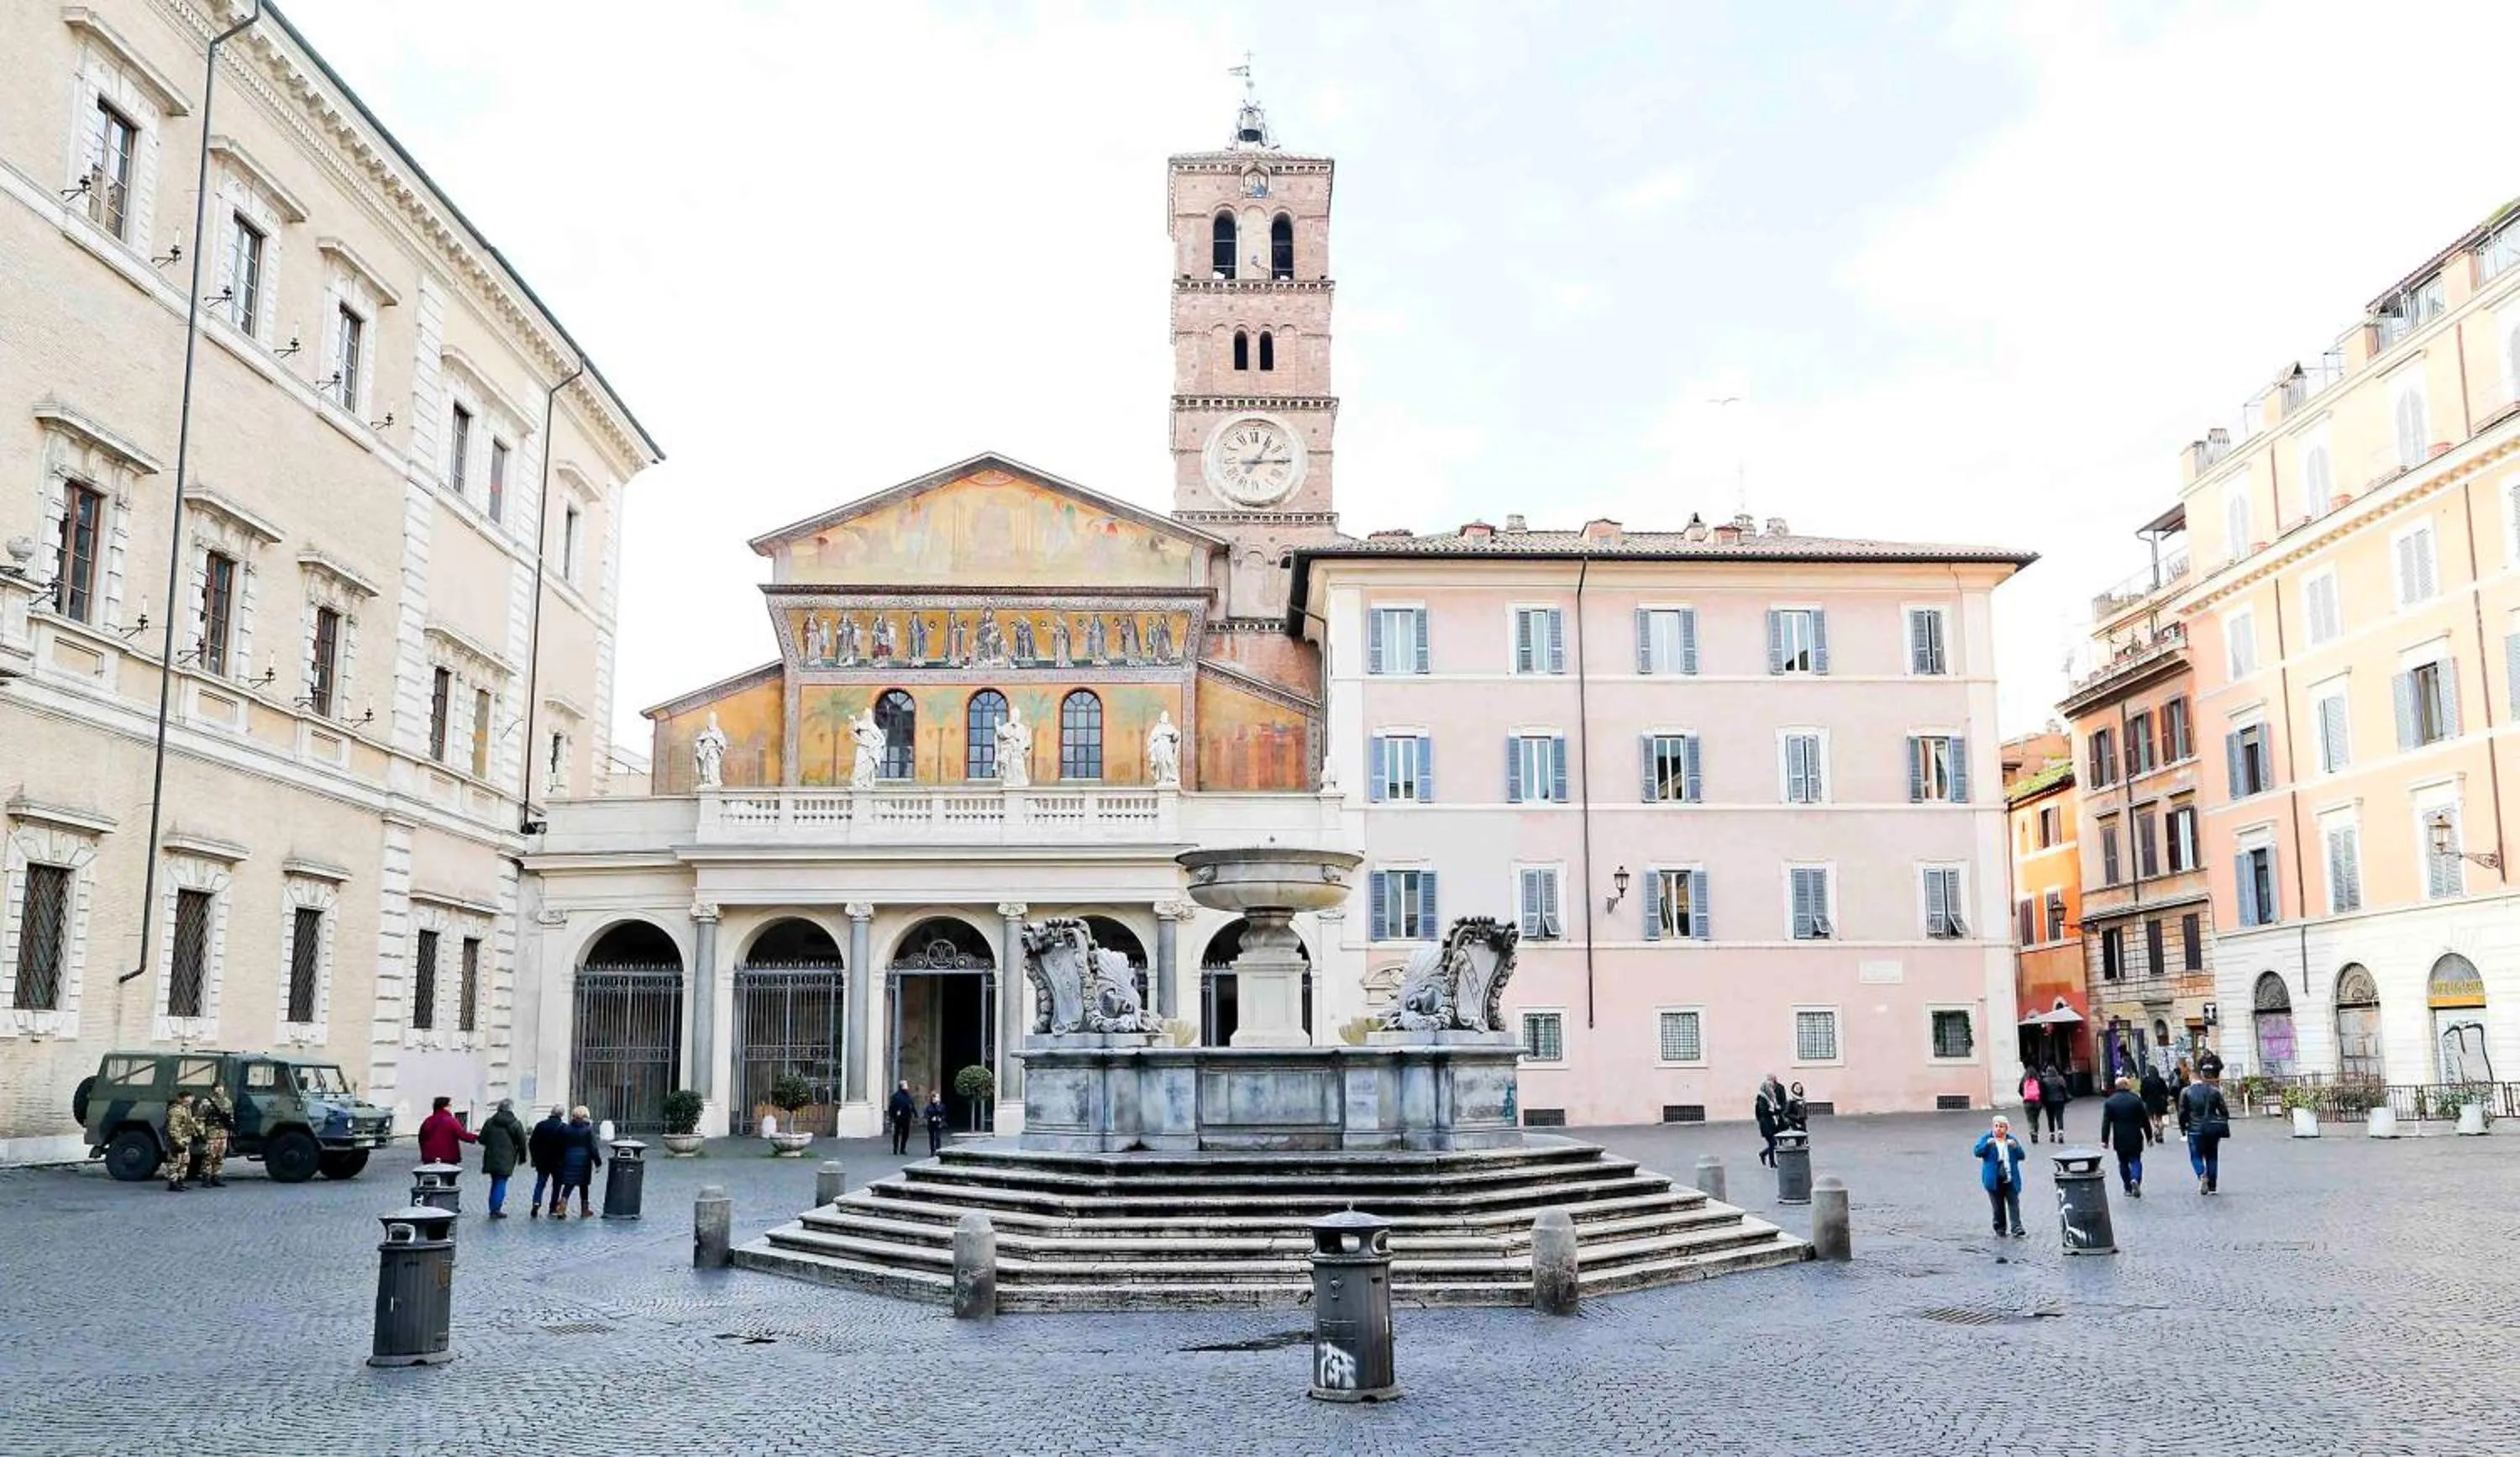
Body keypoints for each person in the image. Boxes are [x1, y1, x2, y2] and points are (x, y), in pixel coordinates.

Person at [2177, 1066, 2232, 1195]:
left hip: (2194, 1128)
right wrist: (2221, 1120)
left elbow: (2182, 1112)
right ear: (2201, 1076)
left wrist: (2183, 1128)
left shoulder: (2186, 1092)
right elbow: (2224, 1111)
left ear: (2191, 1078)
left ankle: (2202, 1174)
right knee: (2212, 1156)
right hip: (2212, 1128)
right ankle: (2213, 1186)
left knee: (2195, 1155)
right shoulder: (2214, 1091)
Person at [1973, 1115, 2029, 1239]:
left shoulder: (2011, 1140)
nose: (1998, 1129)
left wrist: (2016, 1147)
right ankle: (2000, 1227)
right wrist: (1987, 1145)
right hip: (1994, 1178)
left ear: (2007, 1128)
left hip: (2010, 1177)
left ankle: (2016, 1227)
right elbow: (1977, 1152)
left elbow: (2022, 1156)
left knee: (2014, 1202)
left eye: (2002, 1126)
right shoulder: (1987, 1138)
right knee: (1998, 1206)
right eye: (1996, 1126)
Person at [2098, 1076, 2150, 1197]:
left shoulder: (2110, 1102)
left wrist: (2104, 1140)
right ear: (2127, 1086)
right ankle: (2135, 1179)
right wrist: (2149, 1136)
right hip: (2135, 1135)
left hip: (2120, 1137)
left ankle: (2127, 1188)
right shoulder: (2136, 1100)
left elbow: (2106, 1122)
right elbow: (2145, 1120)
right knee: (2136, 1160)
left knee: (2123, 1162)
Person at [478, 1098, 529, 1218]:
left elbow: (482, 1139)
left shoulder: (490, 1122)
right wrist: (522, 1158)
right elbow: (522, 1142)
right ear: (511, 1109)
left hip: (491, 1156)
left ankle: (493, 1207)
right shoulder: (515, 1123)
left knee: (495, 1182)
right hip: (507, 1157)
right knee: (500, 1182)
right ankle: (496, 1209)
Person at [559, 1106, 603, 1218]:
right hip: (584, 1160)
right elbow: (593, 1148)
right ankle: (585, 1210)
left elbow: (561, 1145)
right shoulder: (588, 1130)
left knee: (568, 1184)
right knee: (584, 1185)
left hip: (569, 1158)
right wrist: (598, 1162)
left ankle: (561, 1208)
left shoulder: (566, 1128)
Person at [528, 1105, 569, 1218]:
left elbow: (532, 1143)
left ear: (551, 1112)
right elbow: (566, 1146)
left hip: (542, 1160)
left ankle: (536, 1202)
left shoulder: (540, 1125)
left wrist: (534, 1158)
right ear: (562, 1114)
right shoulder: (564, 1127)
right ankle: (552, 1207)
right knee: (557, 1186)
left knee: (540, 1183)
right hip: (558, 1162)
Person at [417, 1096, 478, 1166]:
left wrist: (425, 1152)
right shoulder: (450, 1120)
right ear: (444, 1107)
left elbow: (421, 1138)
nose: (450, 1107)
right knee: (448, 1176)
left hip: (429, 1158)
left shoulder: (428, 1121)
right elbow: (462, 1134)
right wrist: (477, 1137)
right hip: (448, 1157)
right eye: (450, 1105)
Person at [160, 1090, 202, 1193]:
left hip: (185, 1140)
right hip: (176, 1141)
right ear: (184, 1098)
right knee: (174, 1162)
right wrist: (177, 1142)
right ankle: (173, 1183)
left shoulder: (186, 1109)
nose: (192, 1100)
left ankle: (180, 1181)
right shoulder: (176, 1110)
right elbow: (172, 1128)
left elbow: (190, 1124)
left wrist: (195, 1135)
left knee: (184, 1161)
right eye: (190, 1097)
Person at [195, 1084, 235, 1187]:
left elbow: (230, 1117)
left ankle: (216, 1177)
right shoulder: (206, 1102)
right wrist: (202, 1133)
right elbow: (199, 1119)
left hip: (223, 1133)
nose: (220, 1091)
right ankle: (206, 1177)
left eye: (221, 1089)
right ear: (213, 1090)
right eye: (218, 1089)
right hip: (211, 1133)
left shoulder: (227, 1102)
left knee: (220, 1156)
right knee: (209, 1156)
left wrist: (230, 1128)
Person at [1753, 1075, 1784, 1168]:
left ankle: (1764, 1155)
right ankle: (1771, 1162)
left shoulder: (1770, 1098)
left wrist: (1777, 1110)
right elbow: (1763, 1111)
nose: (1772, 1089)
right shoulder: (1762, 1098)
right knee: (1772, 1142)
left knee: (1773, 1143)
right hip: (1766, 1123)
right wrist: (1774, 1111)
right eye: (1770, 1087)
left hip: (1770, 1122)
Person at [2139, 1065, 2172, 1144]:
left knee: (2150, 1118)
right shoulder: (2161, 1080)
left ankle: (2155, 1129)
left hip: (2149, 1101)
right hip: (2160, 1101)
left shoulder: (2145, 1081)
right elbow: (2166, 1091)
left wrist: (2144, 1100)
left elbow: (2142, 1092)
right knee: (2160, 1118)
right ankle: (2160, 1132)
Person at [2038, 1065, 2069, 1139]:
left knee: (2050, 1118)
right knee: (2059, 1117)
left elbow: (2043, 1092)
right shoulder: (2060, 1079)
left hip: (2049, 1102)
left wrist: (2042, 1102)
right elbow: (2064, 1089)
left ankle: (2052, 1134)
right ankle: (2060, 1132)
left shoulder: (2045, 1080)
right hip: (2059, 1100)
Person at [887, 1081, 918, 1156]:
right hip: (898, 1118)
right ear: (901, 1086)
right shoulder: (896, 1096)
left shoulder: (907, 1096)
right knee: (897, 1134)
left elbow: (911, 1105)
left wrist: (915, 1114)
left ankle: (901, 1148)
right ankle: (896, 1148)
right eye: (905, 1085)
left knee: (905, 1134)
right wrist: (892, 1116)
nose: (907, 1087)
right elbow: (892, 1107)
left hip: (906, 1117)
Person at [2019, 1065, 2045, 1144]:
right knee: (2036, 1119)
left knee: (2030, 1119)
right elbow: (2042, 1091)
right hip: (2037, 1102)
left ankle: (2032, 1131)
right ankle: (2036, 1133)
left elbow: (2019, 1090)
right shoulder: (2038, 1079)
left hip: (2027, 1102)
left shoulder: (2024, 1080)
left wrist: (2025, 1095)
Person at [923, 1088, 948, 1156]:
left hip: (939, 1124)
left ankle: (938, 1150)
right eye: (933, 1097)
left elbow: (944, 1114)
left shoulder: (942, 1106)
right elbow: (926, 1114)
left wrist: (940, 1118)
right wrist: (931, 1118)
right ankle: (932, 1151)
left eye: (936, 1097)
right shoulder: (929, 1107)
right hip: (931, 1124)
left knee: (938, 1137)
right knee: (931, 1138)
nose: (934, 1099)